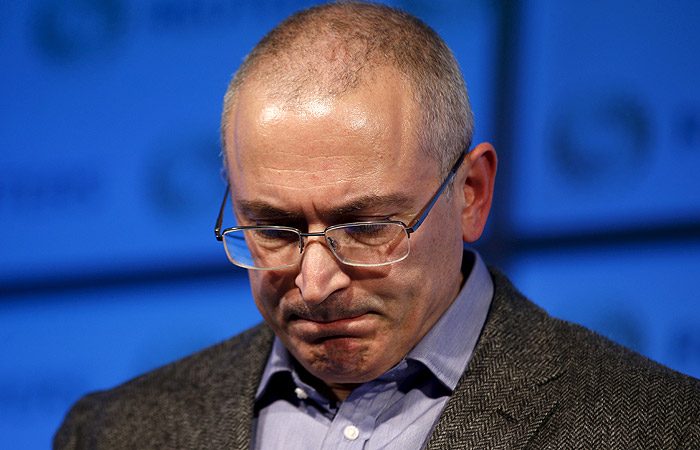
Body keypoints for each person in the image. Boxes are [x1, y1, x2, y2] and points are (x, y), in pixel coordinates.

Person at [55, 2, 699, 449]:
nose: (314, 284)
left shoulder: (661, 430)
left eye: (363, 226)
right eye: (273, 230)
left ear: (471, 194)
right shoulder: (114, 433)